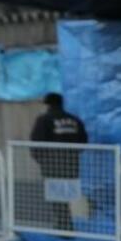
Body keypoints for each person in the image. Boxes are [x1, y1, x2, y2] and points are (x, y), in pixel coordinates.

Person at [30, 92, 88, 232]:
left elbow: (37, 142)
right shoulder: (74, 119)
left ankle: (64, 226)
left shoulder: (44, 119)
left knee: (56, 196)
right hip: (71, 163)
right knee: (67, 195)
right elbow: (83, 140)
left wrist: (41, 160)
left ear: (48, 104)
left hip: (52, 163)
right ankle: (67, 224)